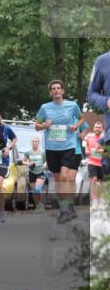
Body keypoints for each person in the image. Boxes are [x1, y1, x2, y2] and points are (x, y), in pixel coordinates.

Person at [35, 79, 86, 223]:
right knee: (58, 181)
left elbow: (82, 119)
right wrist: (44, 125)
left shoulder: (72, 105)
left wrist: (75, 126)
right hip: (52, 149)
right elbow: (36, 126)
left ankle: (64, 210)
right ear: (50, 92)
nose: (56, 90)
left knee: (64, 177)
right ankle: (66, 207)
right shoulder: (45, 108)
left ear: (62, 91)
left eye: (58, 88)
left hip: (68, 147)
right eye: (53, 89)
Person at [23, 137, 48, 213]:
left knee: (37, 189)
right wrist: (29, 163)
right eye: (33, 141)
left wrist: (45, 165)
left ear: (38, 143)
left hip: (40, 172)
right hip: (32, 172)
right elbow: (23, 161)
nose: (34, 143)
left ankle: (40, 205)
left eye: (36, 141)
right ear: (31, 143)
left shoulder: (42, 152)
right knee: (34, 191)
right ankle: (38, 206)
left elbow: (46, 161)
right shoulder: (28, 152)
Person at [83, 121, 105, 206]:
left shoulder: (105, 138)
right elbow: (86, 149)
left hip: (103, 163)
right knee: (94, 180)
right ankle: (95, 200)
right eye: (96, 127)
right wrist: (88, 151)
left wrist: (99, 151)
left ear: (102, 129)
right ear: (94, 128)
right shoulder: (89, 136)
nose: (97, 129)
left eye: (99, 127)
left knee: (101, 183)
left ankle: (102, 200)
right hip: (92, 163)